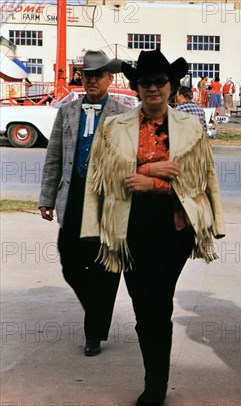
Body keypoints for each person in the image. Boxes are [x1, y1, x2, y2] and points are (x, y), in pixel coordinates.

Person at [80, 49, 225, 405]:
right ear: (136, 87)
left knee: (156, 302)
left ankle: (155, 385)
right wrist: (147, 170)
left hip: (173, 227)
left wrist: (158, 185)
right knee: (145, 307)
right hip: (128, 228)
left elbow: (201, 177)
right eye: (145, 83)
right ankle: (155, 376)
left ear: (172, 86)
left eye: (160, 82)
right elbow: (98, 178)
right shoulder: (115, 127)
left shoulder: (191, 126)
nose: (153, 89)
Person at [39, 49, 126, 357]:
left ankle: (94, 331)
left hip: (107, 200)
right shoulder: (68, 112)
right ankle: (97, 309)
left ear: (109, 79)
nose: (91, 81)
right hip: (74, 195)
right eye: (87, 75)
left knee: (105, 266)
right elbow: (54, 158)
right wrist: (47, 198)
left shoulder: (122, 113)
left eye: (97, 76)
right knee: (70, 262)